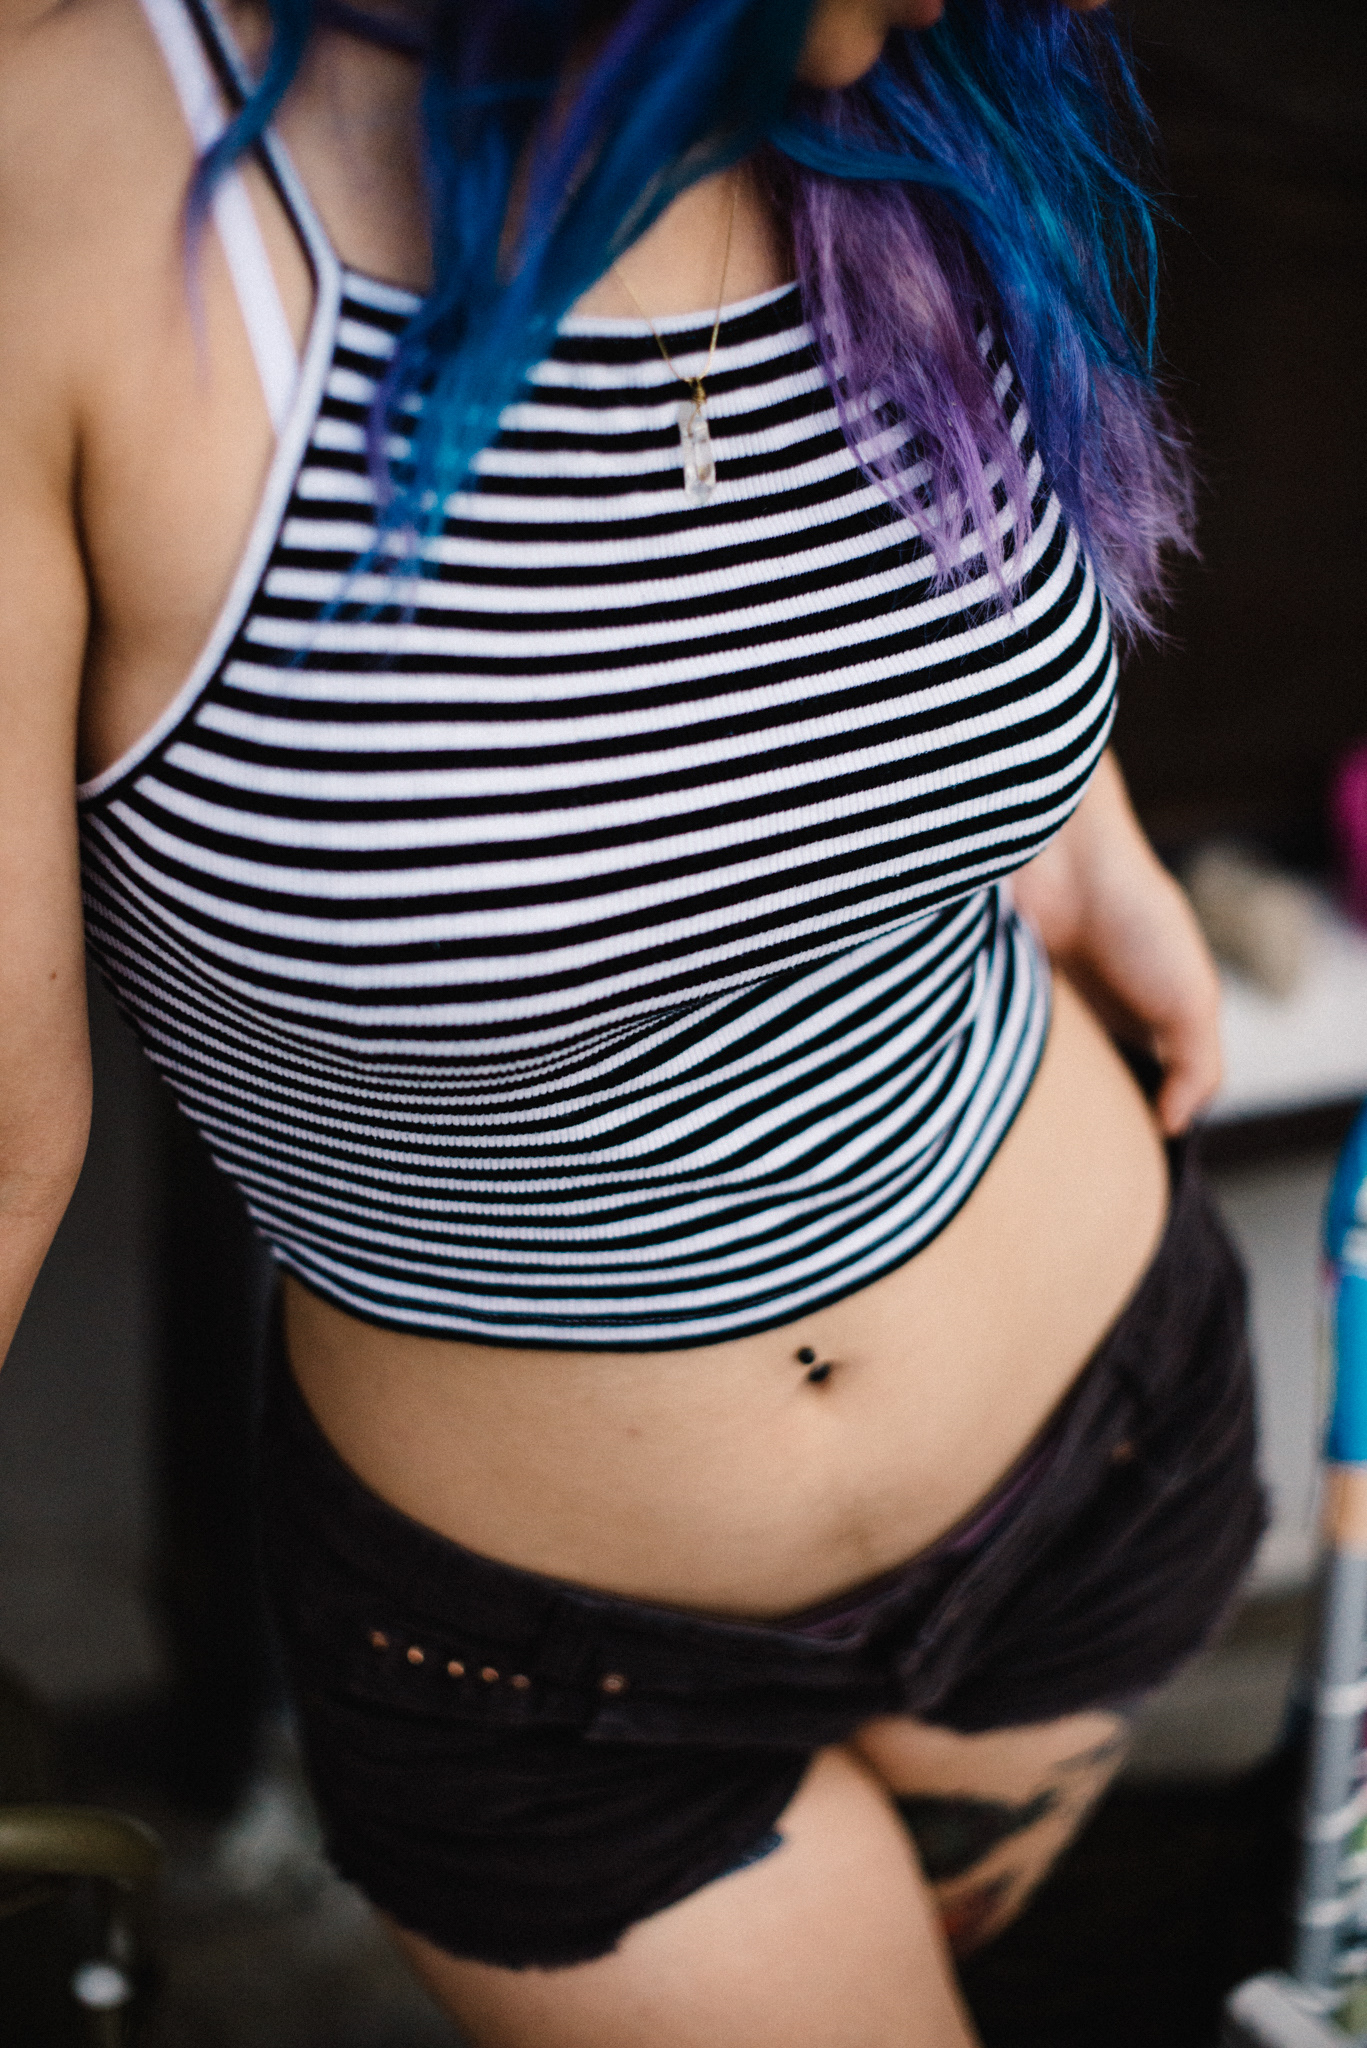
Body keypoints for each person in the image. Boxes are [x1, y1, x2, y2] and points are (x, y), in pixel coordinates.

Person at [0, 0, 1263, 2040]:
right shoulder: (66, 197)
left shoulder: (917, 91)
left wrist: (1074, 817)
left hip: (1107, 1457)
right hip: (556, 1688)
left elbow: (885, 545)